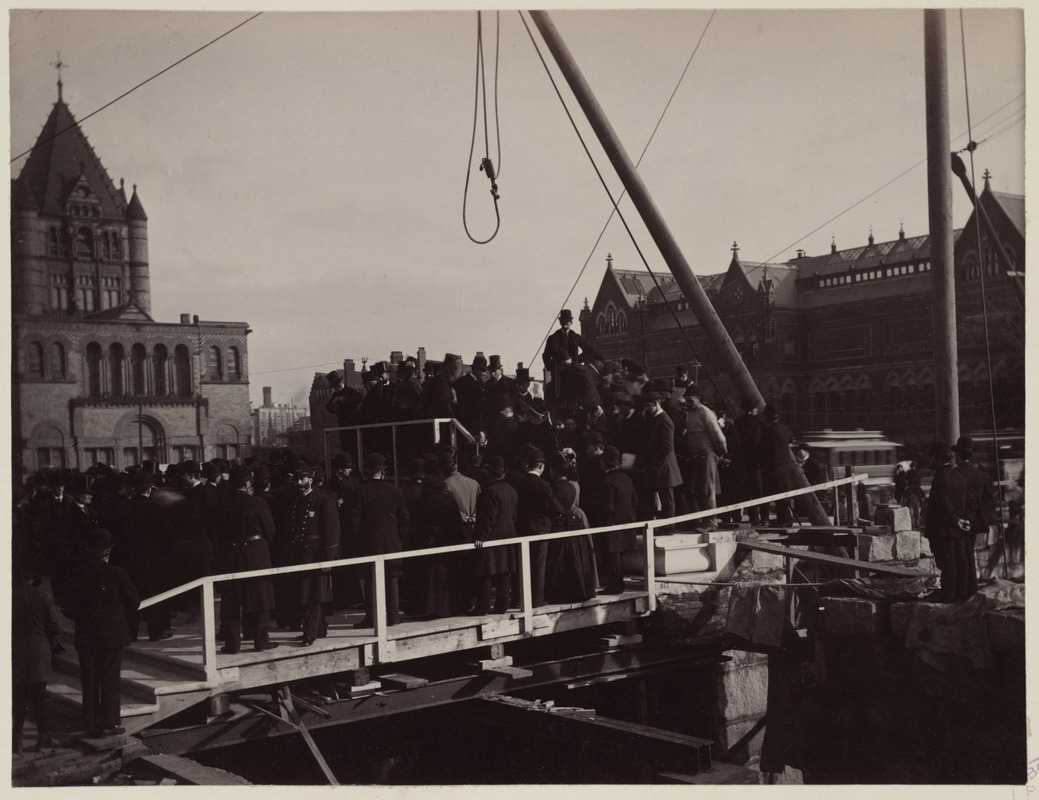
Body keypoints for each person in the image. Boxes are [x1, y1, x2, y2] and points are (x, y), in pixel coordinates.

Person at [69, 528, 140, 738]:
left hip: (86, 634)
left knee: (89, 679)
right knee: (109, 679)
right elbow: (134, 602)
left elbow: (68, 605)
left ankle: (90, 723)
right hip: (112, 635)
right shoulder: (118, 573)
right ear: (108, 550)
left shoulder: (77, 574)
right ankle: (109, 723)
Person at [213, 466, 279, 654]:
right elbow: (270, 531)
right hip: (256, 553)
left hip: (230, 554)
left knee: (231, 600)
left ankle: (233, 644)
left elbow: (214, 532)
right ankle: (261, 641)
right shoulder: (258, 503)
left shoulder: (221, 504)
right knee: (261, 599)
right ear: (248, 483)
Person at [286, 460, 341, 646]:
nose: (299, 483)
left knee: (314, 595)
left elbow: (332, 532)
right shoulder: (295, 502)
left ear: (310, 479)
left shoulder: (323, 501)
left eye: (302, 479)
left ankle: (309, 634)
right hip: (300, 554)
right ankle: (319, 629)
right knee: (305, 594)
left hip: (316, 555)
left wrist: (328, 559)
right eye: (296, 480)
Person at [352, 453, 410, 628]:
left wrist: (359, 541)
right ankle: (393, 617)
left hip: (368, 543)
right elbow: (404, 518)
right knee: (392, 580)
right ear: (383, 471)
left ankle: (372, 618)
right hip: (392, 542)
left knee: (370, 582)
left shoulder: (360, 491)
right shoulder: (394, 490)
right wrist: (398, 538)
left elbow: (354, 521)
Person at [13, 560, 64, 753]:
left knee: (18, 696)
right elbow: (57, 628)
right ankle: (43, 737)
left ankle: (16, 739)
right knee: (39, 697)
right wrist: (48, 644)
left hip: (14, 651)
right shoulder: (43, 597)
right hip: (38, 651)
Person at [514, 446, 564, 608]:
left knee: (522, 565)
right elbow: (556, 508)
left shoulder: (519, 484)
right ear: (541, 466)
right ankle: (536, 600)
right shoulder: (544, 485)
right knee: (539, 566)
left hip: (522, 528)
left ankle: (519, 599)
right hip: (541, 529)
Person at [473, 456, 520, 614]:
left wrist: (481, 537)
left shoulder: (490, 492)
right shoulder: (512, 491)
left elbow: (488, 519)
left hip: (492, 538)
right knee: (504, 572)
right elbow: (513, 516)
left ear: (490, 473)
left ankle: (482, 607)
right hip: (508, 536)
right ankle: (502, 606)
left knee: (486, 572)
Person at [925, 441, 971, 602]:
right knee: (960, 563)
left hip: (943, 530)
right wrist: (961, 521)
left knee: (947, 565)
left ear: (940, 458)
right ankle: (960, 594)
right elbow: (965, 502)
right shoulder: (959, 476)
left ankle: (948, 596)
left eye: (932, 457)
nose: (929, 460)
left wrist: (955, 520)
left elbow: (943, 504)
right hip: (958, 530)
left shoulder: (940, 477)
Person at [952, 435, 995, 595]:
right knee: (969, 552)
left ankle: (964, 589)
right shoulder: (981, 475)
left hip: (959, 522)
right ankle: (971, 587)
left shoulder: (954, 474)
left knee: (961, 555)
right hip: (974, 522)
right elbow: (989, 500)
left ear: (958, 454)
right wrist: (980, 517)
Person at [681, 386, 727, 528]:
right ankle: (704, 519)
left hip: (706, 455)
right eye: (686, 400)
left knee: (708, 490)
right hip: (696, 456)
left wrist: (722, 453)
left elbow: (718, 437)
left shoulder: (706, 414)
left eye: (690, 401)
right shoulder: (691, 413)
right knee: (699, 490)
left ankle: (711, 522)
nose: (687, 403)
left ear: (699, 399)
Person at [597, 446, 639, 594]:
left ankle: (614, 586)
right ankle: (618, 585)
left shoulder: (607, 481)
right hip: (626, 523)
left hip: (612, 525)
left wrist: (605, 524)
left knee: (612, 557)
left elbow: (608, 507)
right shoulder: (626, 478)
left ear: (605, 462)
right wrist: (630, 517)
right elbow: (634, 501)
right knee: (619, 557)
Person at [643, 391, 683, 522]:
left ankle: (669, 526)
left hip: (664, 467)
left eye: (648, 406)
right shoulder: (656, 419)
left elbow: (667, 447)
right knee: (664, 498)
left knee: (667, 500)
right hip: (660, 466)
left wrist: (654, 461)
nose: (647, 409)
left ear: (656, 404)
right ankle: (667, 525)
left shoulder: (665, 420)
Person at [758, 404, 795, 525]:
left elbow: (761, 447)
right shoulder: (785, 428)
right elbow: (791, 439)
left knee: (767, 494)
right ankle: (786, 519)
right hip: (785, 467)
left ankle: (766, 519)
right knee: (783, 494)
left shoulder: (767, 430)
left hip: (772, 467)